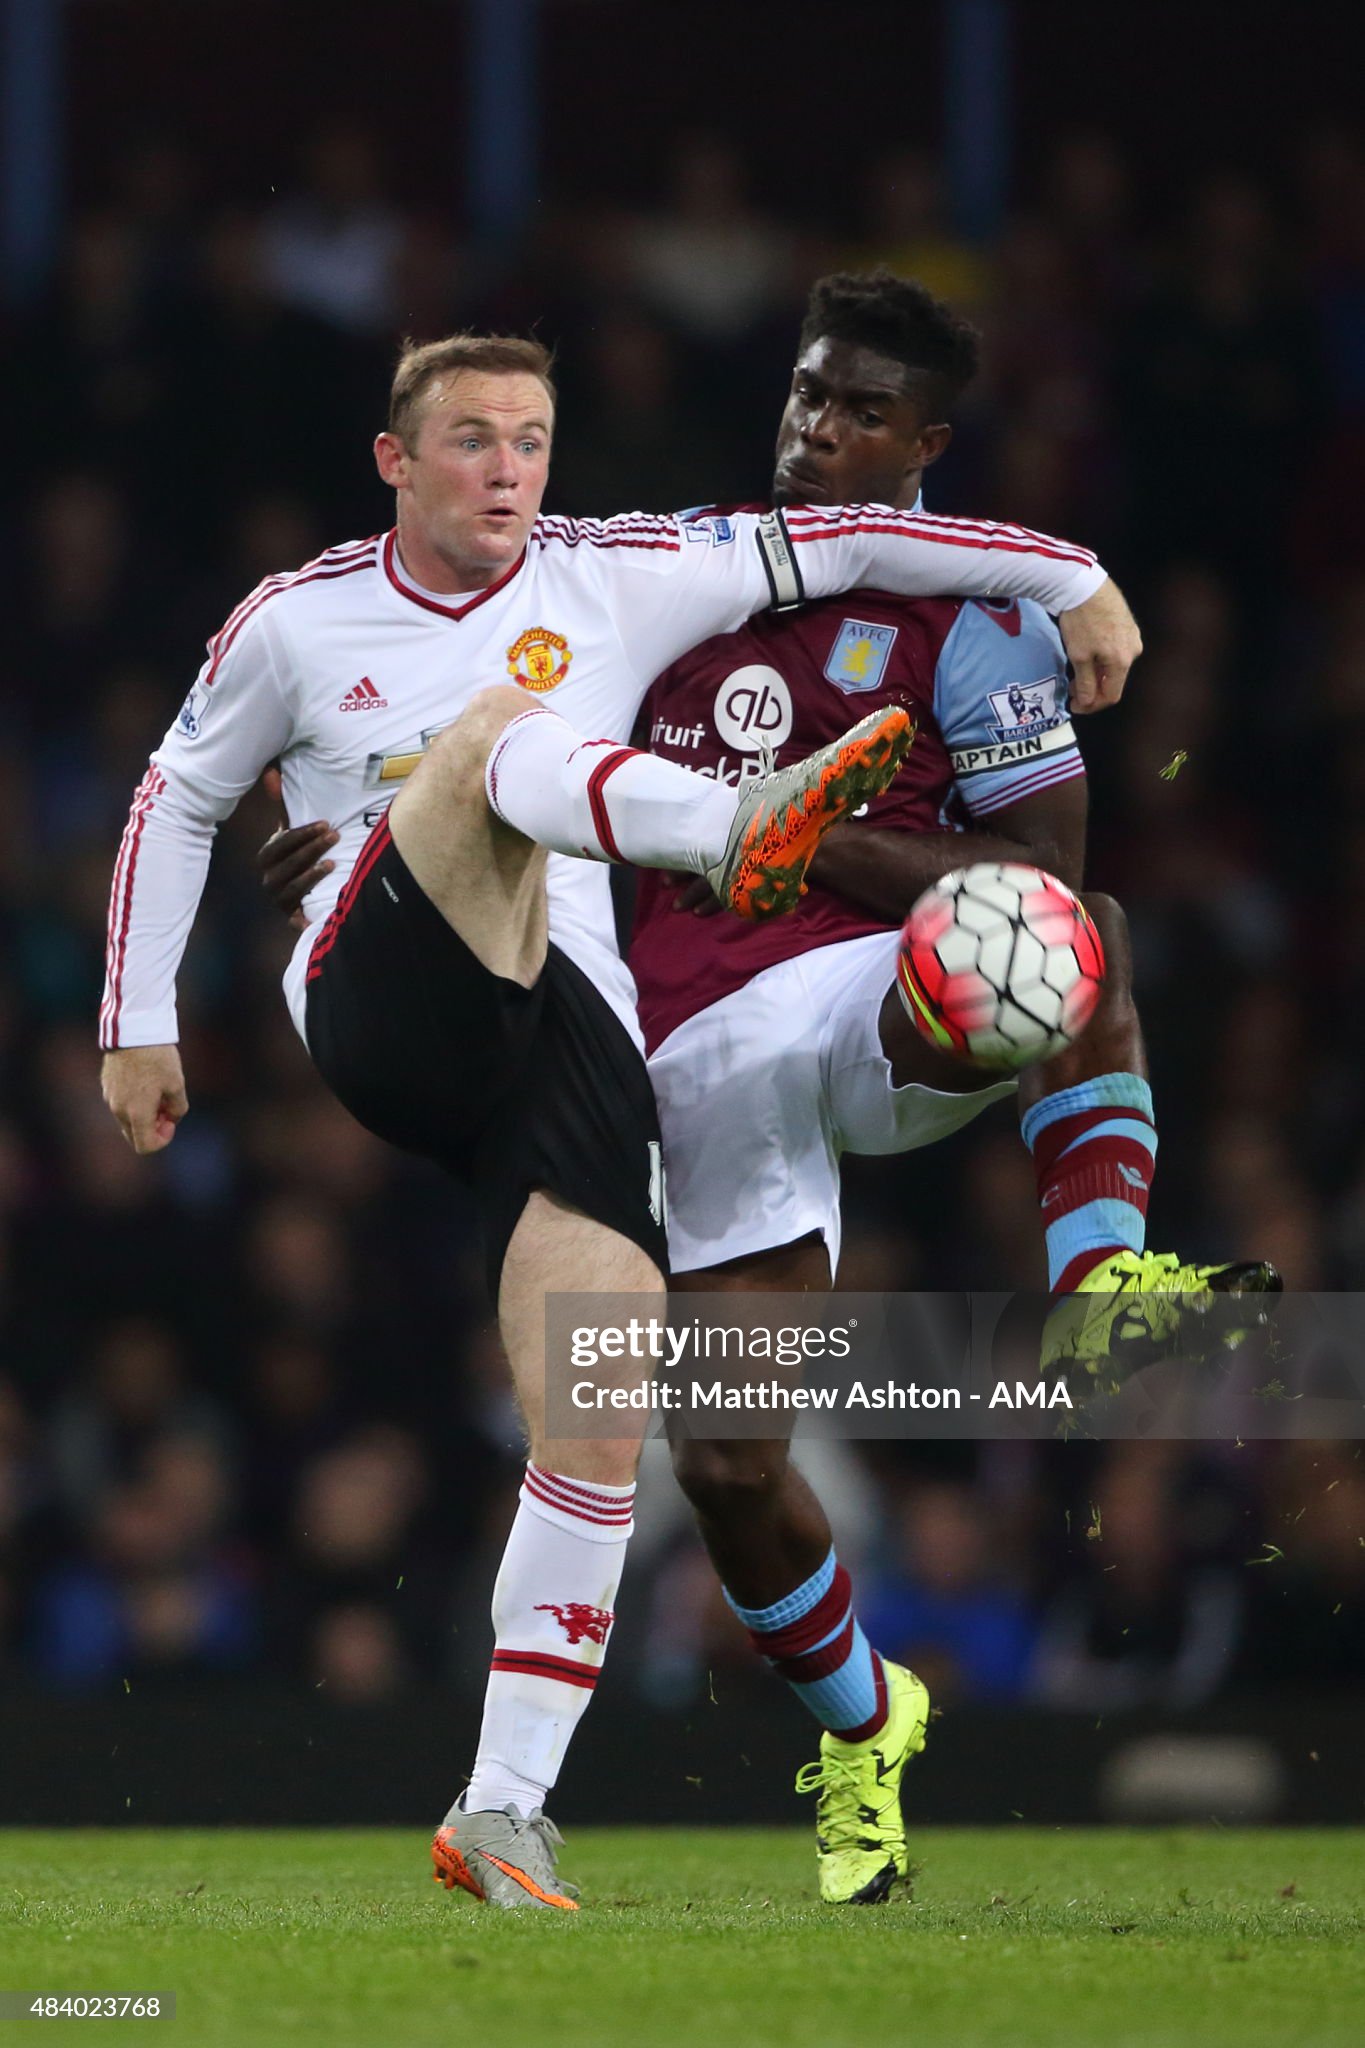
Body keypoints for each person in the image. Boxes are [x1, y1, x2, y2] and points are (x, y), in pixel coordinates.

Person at [105, 327, 1137, 1910]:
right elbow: (177, 792)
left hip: (572, 1035)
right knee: (500, 737)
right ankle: (739, 829)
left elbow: (854, 542)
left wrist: (1073, 577)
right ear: (394, 460)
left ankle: (501, 1813)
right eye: (469, 439)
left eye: (528, 440)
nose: (505, 470)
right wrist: (138, 1024)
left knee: (608, 1407)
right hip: (384, 990)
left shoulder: (616, 576)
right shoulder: (296, 618)